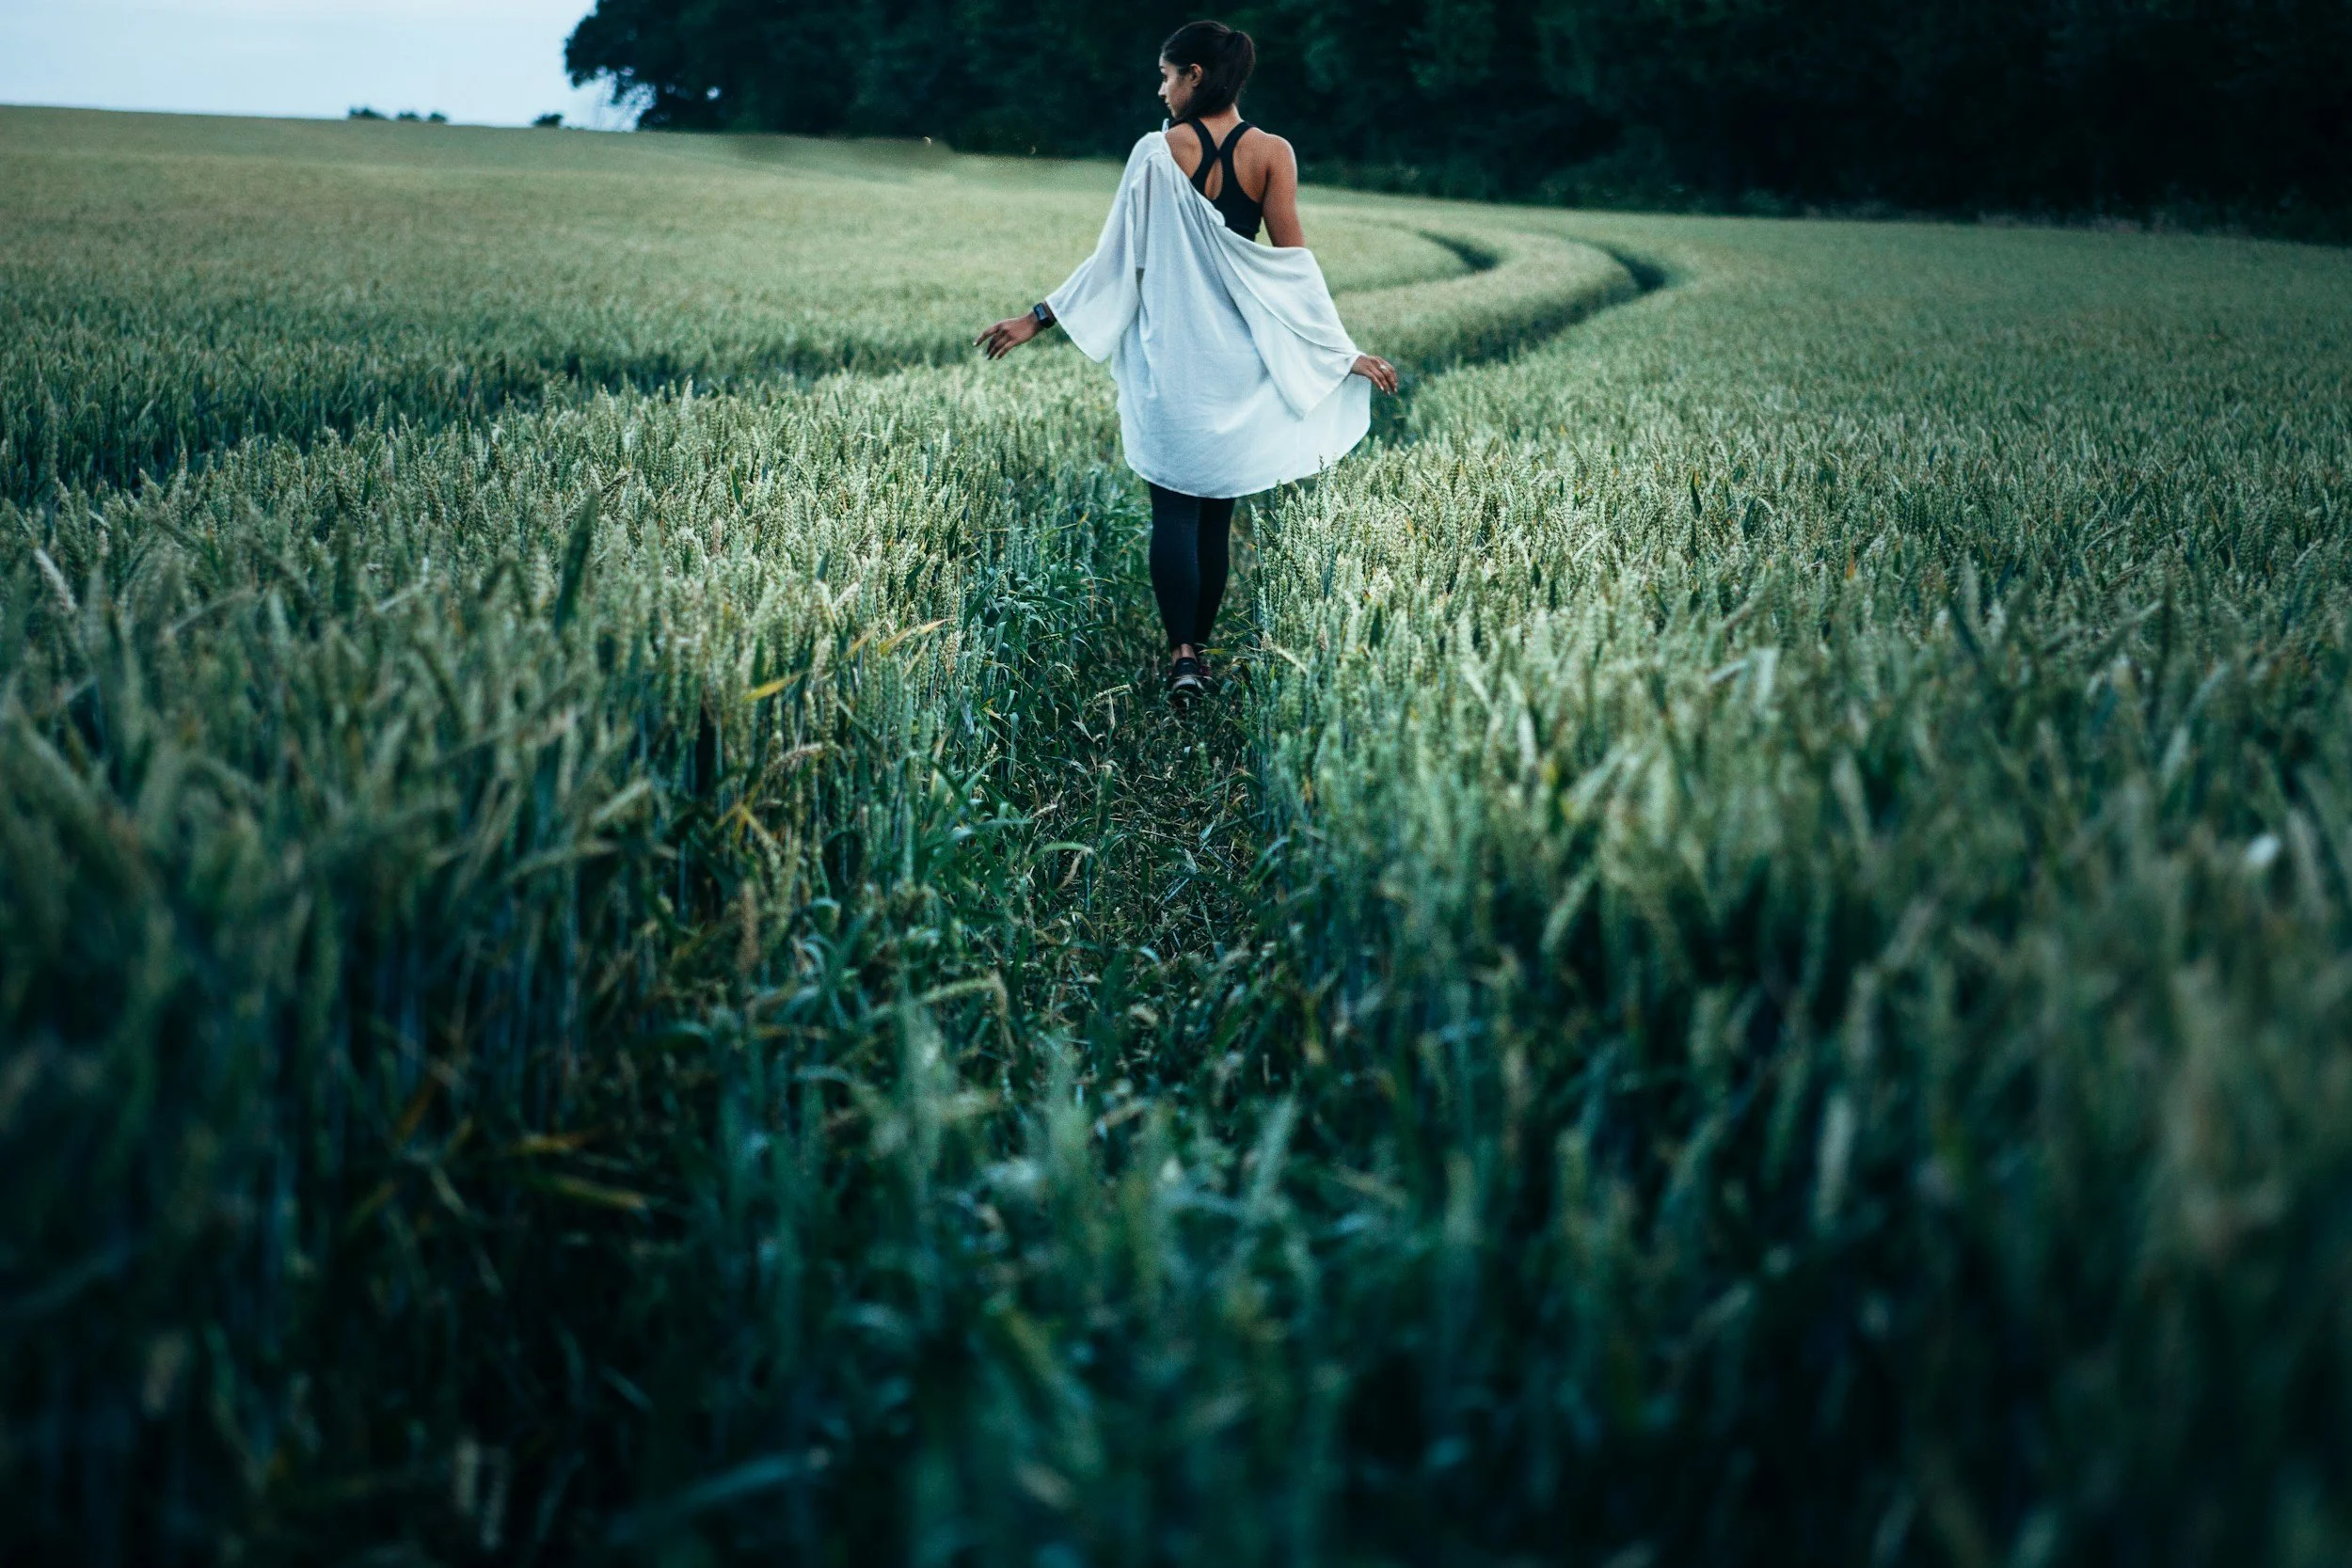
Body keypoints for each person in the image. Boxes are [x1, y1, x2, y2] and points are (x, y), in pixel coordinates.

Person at [977, 20, 1398, 704]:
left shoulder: (1153, 153)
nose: (1161, 88)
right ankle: (1199, 658)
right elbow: (1291, 271)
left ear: (1195, 75)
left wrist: (1038, 317)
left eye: (1168, 75)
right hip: (1238, 363)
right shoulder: (1272, 153)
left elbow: (1115, 258)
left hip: (1170, 361)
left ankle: (1181, 656)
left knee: (1171, 511)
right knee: (1215, 513)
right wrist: (1338, 353)